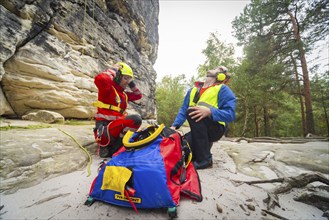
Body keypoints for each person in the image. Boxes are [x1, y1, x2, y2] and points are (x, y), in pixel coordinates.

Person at [170, 66, 236, 169]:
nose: (215, 67)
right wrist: (174, 127)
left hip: (215, 129)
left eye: (219, 68)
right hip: (197, 130)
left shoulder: (222, 89)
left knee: (192, 110)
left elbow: (230, 115)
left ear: (221, 76)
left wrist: (210, 112)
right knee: (181, 147)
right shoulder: (192, 91)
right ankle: (203, 148)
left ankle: (205, 160)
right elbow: (183, 109)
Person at [93, 62, 142, 157]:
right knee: (136, 119)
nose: (127, 82)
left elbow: (138, 95)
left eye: (129, 79)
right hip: (105, 129)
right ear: (118, 77)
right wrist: (114, 70)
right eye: (125, 78)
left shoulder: (123, 94)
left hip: (116, 127)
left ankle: (115, 148)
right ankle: (105, 146)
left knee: (135, 121)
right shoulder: (108, 89)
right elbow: (100, 78)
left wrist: (130, 81)